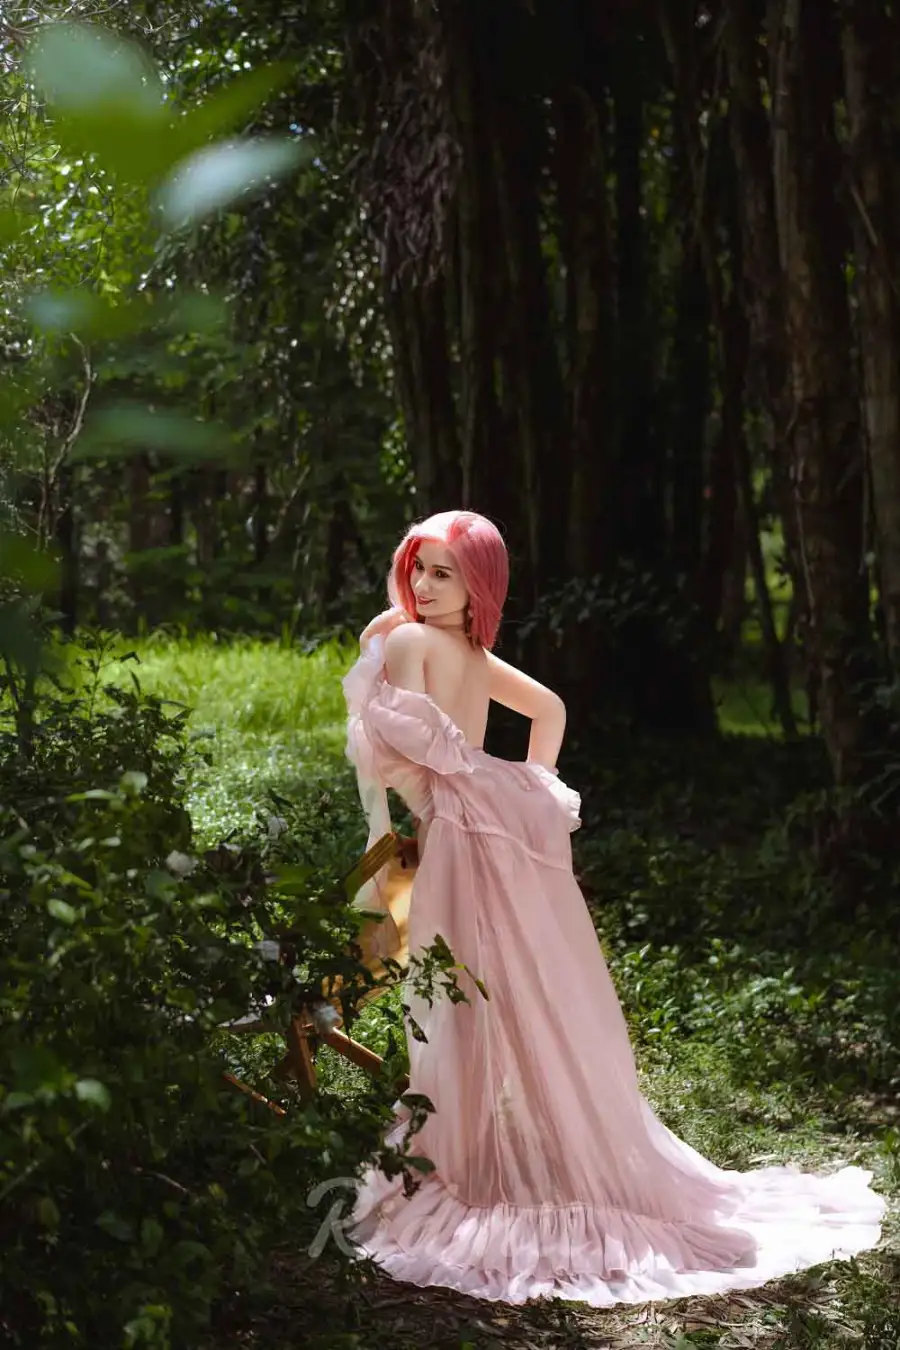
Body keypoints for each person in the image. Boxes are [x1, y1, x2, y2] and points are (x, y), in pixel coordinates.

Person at [340, 509, 884, 1308]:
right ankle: (479, 1147)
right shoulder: (469, 654)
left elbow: (407, 746)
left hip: (461, 835)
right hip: (489, 826)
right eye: (418, 567)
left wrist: (382, 663)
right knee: (498, 986)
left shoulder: (414, 644)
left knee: (454, 993)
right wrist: (525, 787)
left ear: (479, 584)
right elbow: (549, 713)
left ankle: (457, 1160)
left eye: (443, 572)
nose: (422, 585)